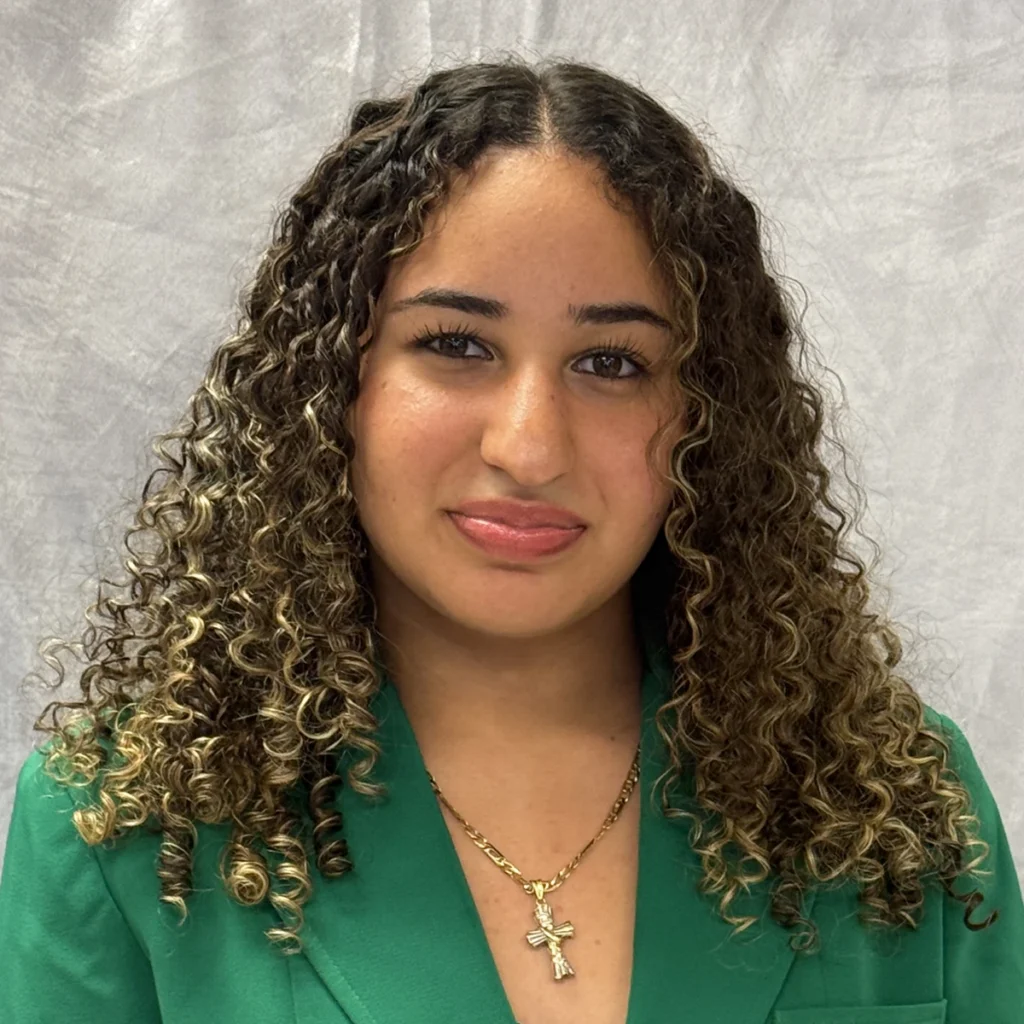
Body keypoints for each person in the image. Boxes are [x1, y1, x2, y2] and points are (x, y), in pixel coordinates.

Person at [0, 54, 1021, 1024]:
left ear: (710, 417)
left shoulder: (893, 799)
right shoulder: (121, 826)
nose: (530, 449)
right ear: (330, 386)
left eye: (613, 362)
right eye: (455, 344)